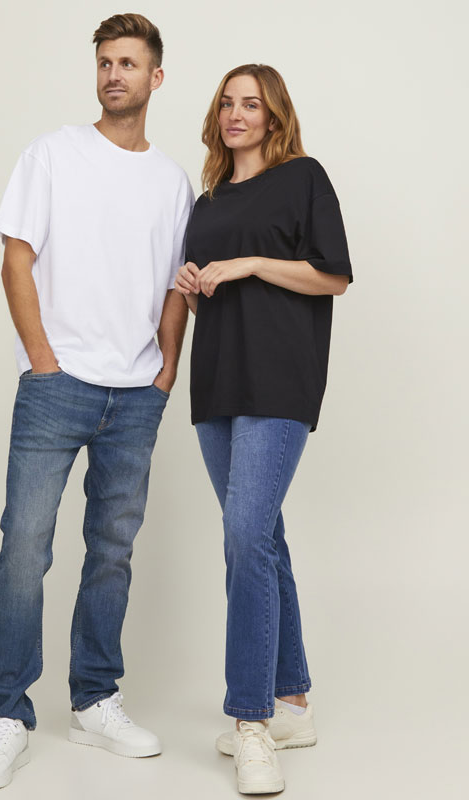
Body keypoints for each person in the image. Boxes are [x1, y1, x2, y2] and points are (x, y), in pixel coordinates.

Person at [0, 13, 194, 791]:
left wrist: (166, 370)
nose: (113, 74)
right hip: (56, 386)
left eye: (128, 63)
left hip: (136, 394)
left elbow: (176, 286)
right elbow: (16, 259)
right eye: (104, 62)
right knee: (25, 545)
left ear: (156, 77)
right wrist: (43, 360)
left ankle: (94, 699)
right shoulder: (53, 154)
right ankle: (7, 715)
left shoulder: (172, 182)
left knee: (112, 551)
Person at [175, 63, 352, 794]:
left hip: (280, 378)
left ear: (274, 115)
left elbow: (333, 275)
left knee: (243, 537)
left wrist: (248, 262)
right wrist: (193, 287)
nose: (236, 114)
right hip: (217, 380)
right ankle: (293, 704)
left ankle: (251, 720)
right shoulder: (208, 200)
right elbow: (208, 291)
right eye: (227, 103)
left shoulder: (304, 177)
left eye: (251, 104)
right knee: (262, 537)